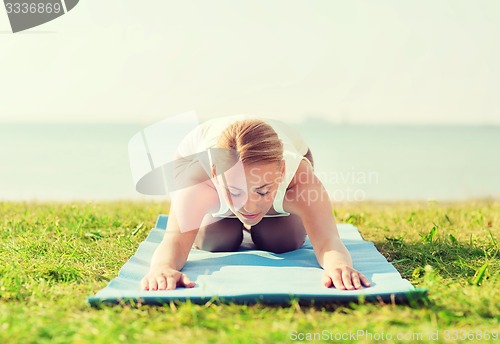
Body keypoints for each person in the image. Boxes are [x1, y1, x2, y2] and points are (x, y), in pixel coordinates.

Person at [141, 115, 371, 291]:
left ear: (281, 172)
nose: (249, 207)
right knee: (218, 239)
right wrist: (163, 268)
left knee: (282, 239)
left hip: (283, 153)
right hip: (196, 161)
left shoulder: (299, 179)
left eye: (262, 192)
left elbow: (327, 240)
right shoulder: (197, 181)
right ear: (214, 173)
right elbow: (176, 241)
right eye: (235, 191)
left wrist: (338, 266)